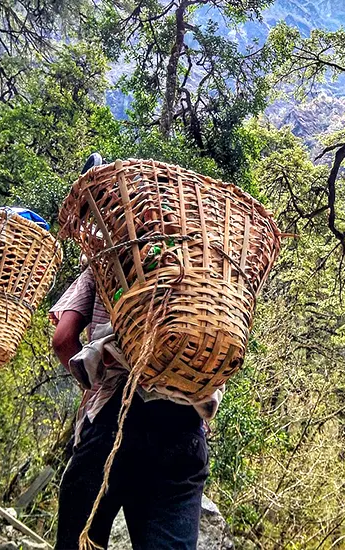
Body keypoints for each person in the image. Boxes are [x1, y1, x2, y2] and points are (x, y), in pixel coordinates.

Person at [50, 154, 221, 549]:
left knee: (79, 540)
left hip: (114, 421)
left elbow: (63, 339)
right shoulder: (203, 276)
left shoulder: (106, 264)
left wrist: (91, 386)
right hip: (183, 432)